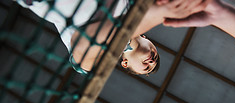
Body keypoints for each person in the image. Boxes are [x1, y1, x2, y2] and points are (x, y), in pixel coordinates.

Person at [16, 0, 210, 75]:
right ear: (147, 37)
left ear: (125, 64)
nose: (151, 62)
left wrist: (159, 14)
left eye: (146, 68)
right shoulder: (135, 5)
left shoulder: (97, 63)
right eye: (156, 58)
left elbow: (84, 43)